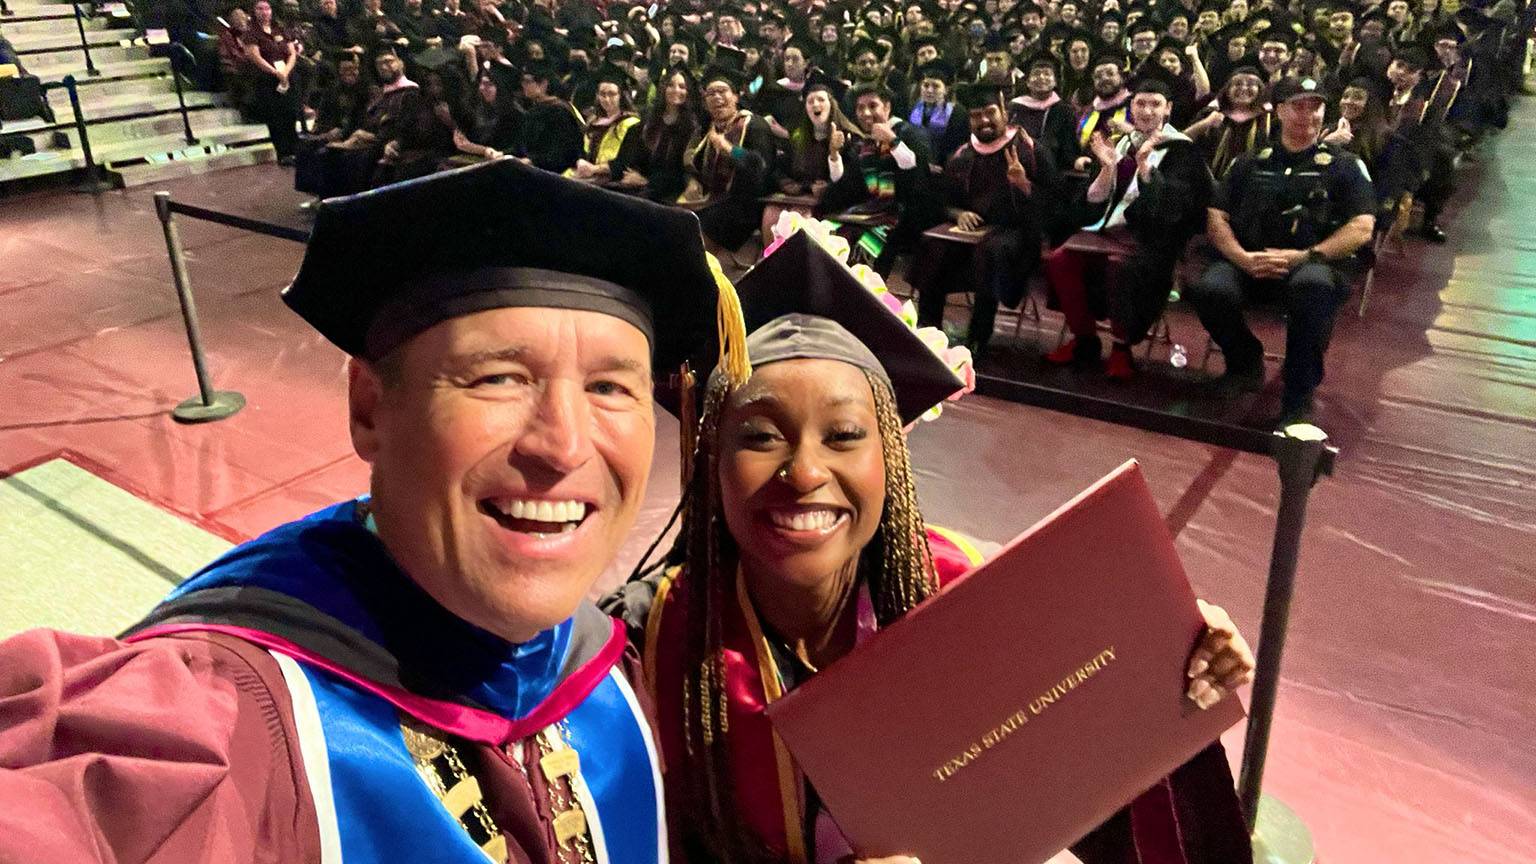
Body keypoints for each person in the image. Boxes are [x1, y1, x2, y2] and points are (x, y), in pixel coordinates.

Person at [0, 158, 752, 864]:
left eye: (610, 388)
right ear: (368, 409)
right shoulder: (225, 707)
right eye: (496, 377)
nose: (563, 445)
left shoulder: (608, 664)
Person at [604, 230, 1257, 864]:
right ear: (708, 461)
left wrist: (1172, 662)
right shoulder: (646, 649)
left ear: (890, 458)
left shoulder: (981, 600)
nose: (803, 474)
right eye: (759, 437)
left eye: (844, 435)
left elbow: (1116, 803)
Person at [1185, 77, 1377, 425]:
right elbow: (1216, 217)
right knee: (1210, 289)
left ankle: (1299, 393)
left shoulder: (1344, 166)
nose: (1307, 115)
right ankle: (1244, 362)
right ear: (1279, 111)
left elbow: (1362, 226)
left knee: (1313, 288)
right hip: (1251, 260)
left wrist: (1305, 256)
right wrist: (1241, 257)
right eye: (1298, 106)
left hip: (1312, 262)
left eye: (1315, 107)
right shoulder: (1251, 161)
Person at [1044, 71, 1214, 380]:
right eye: (1140, 104)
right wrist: (1107, 169)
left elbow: (1176, 210)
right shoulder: (1120, 144)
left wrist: (1147, 169)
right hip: (1106, 232)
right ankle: (1085, 340)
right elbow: (1089, 204)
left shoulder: (1183, 151)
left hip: (1151, 241)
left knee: (1118, 267)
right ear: (1130, 108)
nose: (1147, 111)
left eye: (1155, 104)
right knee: (1059, 259)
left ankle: (1121, 349)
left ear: (1168, 110)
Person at [909, 82, 1046, 358]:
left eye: (989, 112)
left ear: (1003, 112)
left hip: (1014, 235)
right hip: (970, 234)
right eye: (976, 115)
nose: (983, 121)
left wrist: (1024, 185)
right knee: (933, 246)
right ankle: (928, 331)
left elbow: (1051, 205)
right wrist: (958, 213)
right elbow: (943, 201)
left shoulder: (1029, 149)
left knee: (992, 252)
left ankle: (978, 337)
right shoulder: (962, 154)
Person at [819, 83, 944, 276]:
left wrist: (893, 141)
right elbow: (846, 184)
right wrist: (834, 154)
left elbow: (917, 178)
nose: (866, 113)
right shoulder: (864, 143)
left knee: (863, 247)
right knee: (822, 235)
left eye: (873, 106)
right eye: (860, 108)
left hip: (902, 217)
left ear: (887, 107)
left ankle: (864, 298)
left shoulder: (911, 134)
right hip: (868, 212)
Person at [687, 54, 778, 255]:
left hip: (747, 205)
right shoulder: (707, 129)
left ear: (736, 96)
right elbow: (694, 163)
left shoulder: (754, 125)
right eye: (710, 93)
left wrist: (728, 149)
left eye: (722, 91)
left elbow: (760, 167)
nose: (717, 98)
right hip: (713, 201)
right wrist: (693, 181)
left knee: (699, 230)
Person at [613, 65, 700, 203]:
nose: (676, 90)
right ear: (663, 88)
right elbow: (633, 157)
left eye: (682, 87)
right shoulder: (648, 120)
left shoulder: (692, 128)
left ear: (688, 92)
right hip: (638, 187)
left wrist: (646, 181)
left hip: (668, 194)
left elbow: (681, 172)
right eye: (671, 85)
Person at [1183, 63, 1273, 178]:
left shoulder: (1268, 119)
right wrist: (1206, 123)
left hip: (1253, 185)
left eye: (1251, 84)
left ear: (1260, 90)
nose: (1244, 88)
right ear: (1227, 89)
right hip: (1208, 183)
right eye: (1237, 83)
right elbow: (1182, 141)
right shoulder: (1210, 113)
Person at [242, 0, 302, 164]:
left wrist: (285, 72)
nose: (264, 12)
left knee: (290, 114)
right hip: (266, 80)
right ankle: (283, 154)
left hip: (286, 76)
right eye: (260, 9)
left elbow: (291, 53)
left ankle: (296, 150)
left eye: (267, 8)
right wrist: (276, 73)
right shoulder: (251, 33)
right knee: (275, 118)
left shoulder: (280, 28)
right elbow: (255, 56)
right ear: (254, 12)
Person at [570, 66, 641, 181]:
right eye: (602, 94)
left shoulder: (631, 124)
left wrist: (595, 169)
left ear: (621, 96)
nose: (607, 99)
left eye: (612, 94)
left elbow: (626, 162)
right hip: (587, 175)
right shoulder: (593, 121)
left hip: (612, 180)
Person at [516, 61, 585, 173]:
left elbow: (563, 153)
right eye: (523, 81)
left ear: (544, 84)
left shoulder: (560, 111)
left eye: (528, 81)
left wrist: (533, 161)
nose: (523, 85)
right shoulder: (534, 109)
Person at [1071, 52, 1132, 168]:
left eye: (1110, 74)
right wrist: (1077, 158)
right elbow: (1076, 142)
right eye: (1098, 76)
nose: (1104, 79)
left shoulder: (1134, 106)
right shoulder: (1088, 110)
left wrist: (1130, 130)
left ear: (1122, 77)